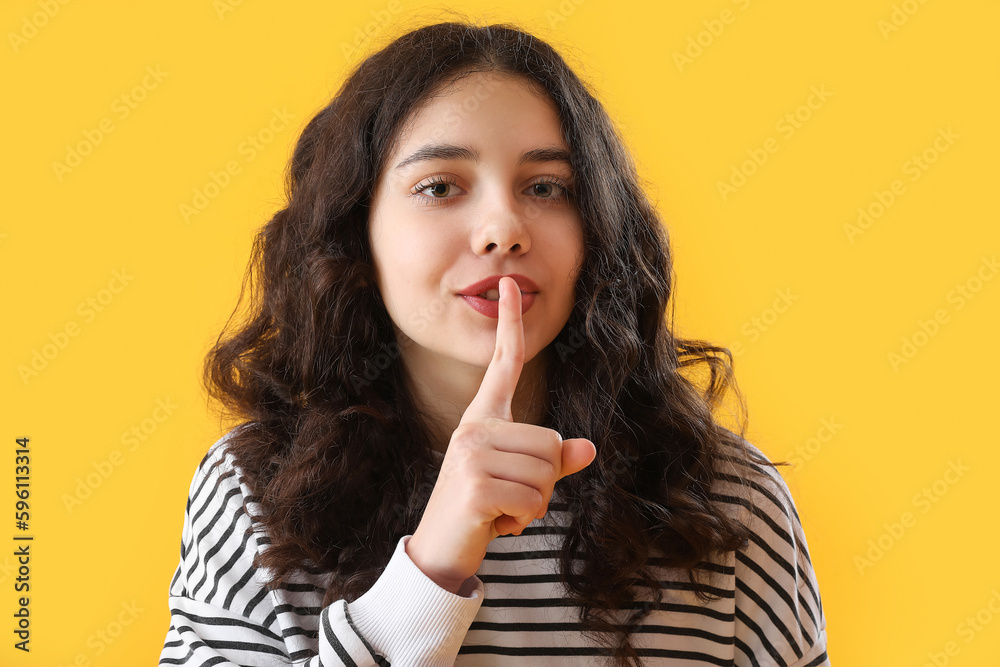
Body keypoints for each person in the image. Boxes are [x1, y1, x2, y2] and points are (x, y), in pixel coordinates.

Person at [158, 19, 829, 667]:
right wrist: (429, 572)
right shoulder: (252, 493)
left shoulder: (733, 498)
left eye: (546, 187)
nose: (502, 228)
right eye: (440, 186)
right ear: (356, 234)